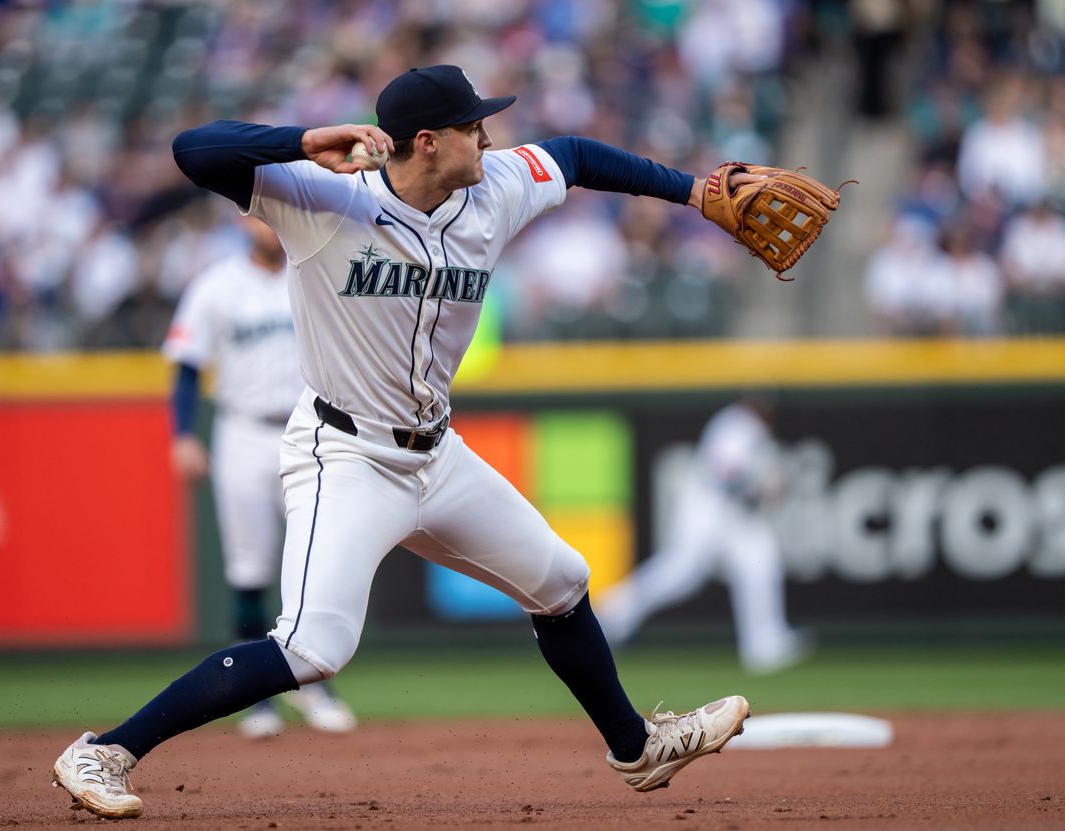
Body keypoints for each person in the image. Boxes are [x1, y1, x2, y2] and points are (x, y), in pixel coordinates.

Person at [52, 64, 752, 820]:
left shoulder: (495, 188)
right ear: (427, 142)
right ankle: (106, 749)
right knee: (314, 647)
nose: (488, 137)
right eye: (472, 127)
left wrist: (694, 191)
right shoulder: (322, 199)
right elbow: (196, 149)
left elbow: (578, 155)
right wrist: (302, 140)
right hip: (345, 453)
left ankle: (636, 749)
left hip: (437, 455)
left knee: (562, 580)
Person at [163, 213, 356, 738]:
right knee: (248, 569)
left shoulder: (316, 270)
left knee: (314, 561)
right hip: (243, 432)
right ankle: (261, 703)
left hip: (312, 429)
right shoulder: (216, 286)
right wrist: (182, 435)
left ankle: (315, 688)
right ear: (243, 222)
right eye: (261, 217)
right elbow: (184, 366)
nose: (271, 227)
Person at [596, 393, 811, 674]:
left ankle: (764, 644)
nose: (763, 410)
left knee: (759, 560)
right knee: (680, 573)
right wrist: (760, 486)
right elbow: (725, 472)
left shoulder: (753, 428)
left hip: (731, 513)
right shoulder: (736, 423)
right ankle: (612, 612)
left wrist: (762, 486)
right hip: (708, 507)